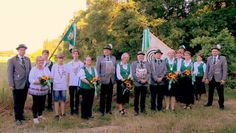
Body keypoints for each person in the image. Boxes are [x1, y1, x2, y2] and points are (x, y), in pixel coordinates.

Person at [7, 44, 31, 125]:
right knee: (17, 102)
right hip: (17, 85)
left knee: (23, 101)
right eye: (21, 50)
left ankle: (21, 115)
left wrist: (30, 83)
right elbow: (9, 73)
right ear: (18, 50)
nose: (23, 51)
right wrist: (11, 84)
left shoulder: (27, 59)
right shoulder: (12, 60)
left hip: (26, 84)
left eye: (24, 50)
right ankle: (17, 118)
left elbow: (30, 72)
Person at [203, 45, 227, 110]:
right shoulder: (209, 58)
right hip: (210, 78)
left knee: (220, 92)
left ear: (218, 52)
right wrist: (206, 77)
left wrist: (223, 79)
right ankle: (209, 103)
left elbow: (224, 69)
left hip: (219, 78)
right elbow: (207, 69)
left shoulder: (222, 58)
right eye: (213, 51)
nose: (214, 52)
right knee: (210, 91)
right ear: (211, 52)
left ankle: (221, 105)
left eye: (215, 51)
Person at [28, 56, 51, 124]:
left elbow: (49, 76)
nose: (41, 62)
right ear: (36, 62)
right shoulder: (34, 69)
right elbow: (30, 80)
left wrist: (42, 79)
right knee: (36, 103)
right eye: (39, 61)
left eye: (42, 61)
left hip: (43, 89)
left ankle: (40, 115)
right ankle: (35, 117)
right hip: (35, 89)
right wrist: (40, 81)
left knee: (42, 103)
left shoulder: (45, 68)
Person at [96, 44, 116, 116]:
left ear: (110, 51)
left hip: (111, 80)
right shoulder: (99, 58)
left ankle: (108, 110)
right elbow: (97, 69)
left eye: (108, 50)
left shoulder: (113, 58)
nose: (106, 51)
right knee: (102, 96)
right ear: (103, 51)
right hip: (103, 80)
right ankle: (101, 111)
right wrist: (98, 78)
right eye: (105, 50)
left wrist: (115, 79)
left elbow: (115, 68)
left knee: (110, 96)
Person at [131, 51, 150, 116]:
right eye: (139, 56)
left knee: (143, 97)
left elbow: (149, 73)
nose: (141, 57)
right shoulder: (134, 63)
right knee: (136, 97)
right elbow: (133, 73)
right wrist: (139, 80)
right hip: (137, 83)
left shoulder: (147, 63)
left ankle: (143, 109)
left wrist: (145, 80)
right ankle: (136, 110)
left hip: (145, 83)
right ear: (137, 57)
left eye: (142, 56)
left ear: (143, 57)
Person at [51, 53, 69, 120]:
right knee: (56, 100)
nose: (60, 59)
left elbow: (68, 75)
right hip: (56, 86)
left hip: (63, 86)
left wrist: (67, 84)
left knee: (63, 99)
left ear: (63, 58)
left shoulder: (66, 66)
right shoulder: (54, 66)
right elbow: (52, 76)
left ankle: (63, 113)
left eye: (62, 58)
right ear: (57, 59)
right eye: (59, 58)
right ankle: (56, 114)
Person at [67, 49, 84, 115]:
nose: (75, 55)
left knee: (77, 97)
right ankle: (71, 110)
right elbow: (67, 74)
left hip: (78, 83)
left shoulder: (81, 64)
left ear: (78, 55)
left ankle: (76, 110)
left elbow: (82, 74)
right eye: (74, 53)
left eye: (77, 53)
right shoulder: (69, 64)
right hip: (71, 83)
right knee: (71, 97)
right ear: (72, 55)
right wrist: (67, 83)